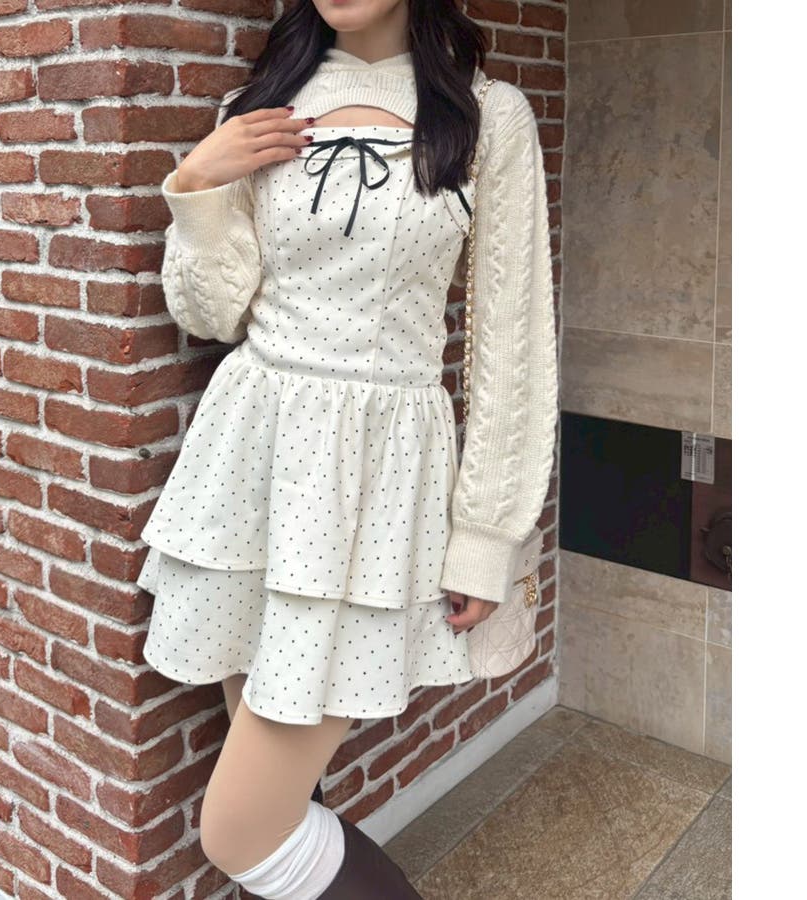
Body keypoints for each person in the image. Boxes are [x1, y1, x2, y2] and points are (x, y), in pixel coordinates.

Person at [134, 0, 559, 895]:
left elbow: (511, 347)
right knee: (280, 796)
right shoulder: (261, 105)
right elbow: (212, 315)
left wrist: (487, 536)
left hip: (375, 480)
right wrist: (199, 183)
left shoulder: (488, 115)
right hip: (247, 460)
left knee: (241, 833)